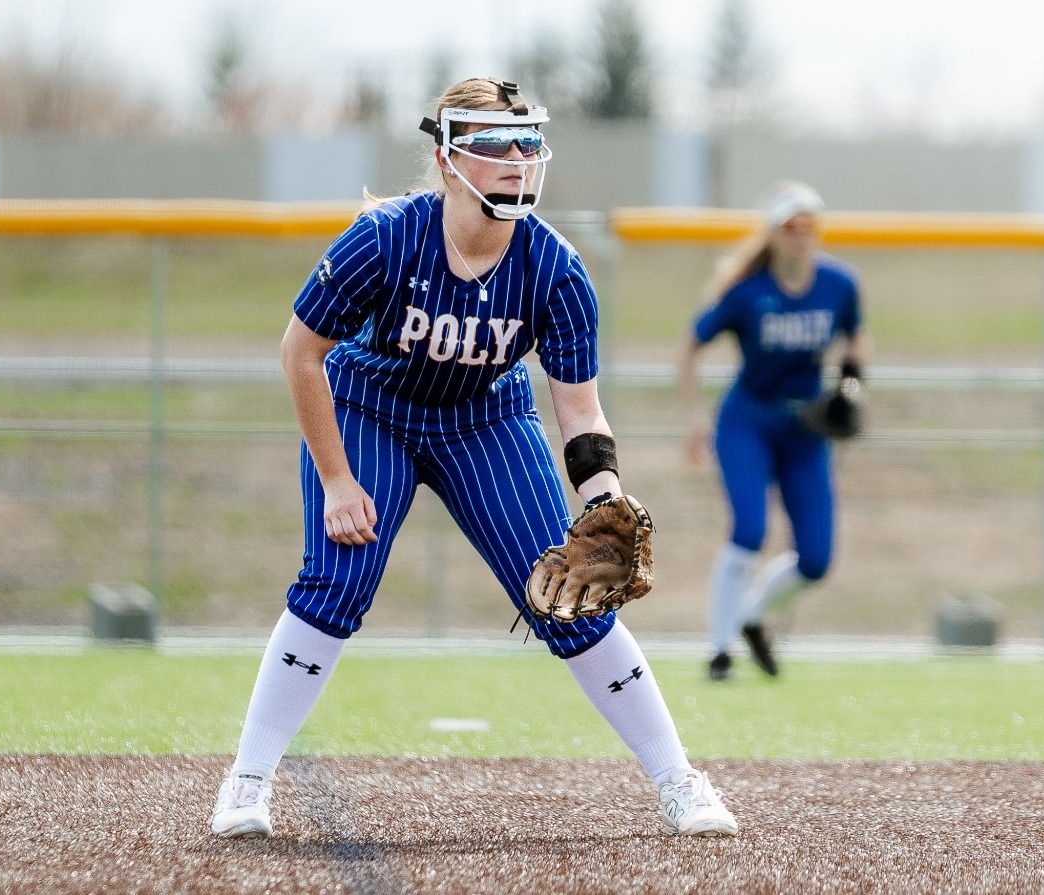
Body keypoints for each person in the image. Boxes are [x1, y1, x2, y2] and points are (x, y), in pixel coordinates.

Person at [209, 77, 737, 840]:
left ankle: (679, 779)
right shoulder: (386, 237)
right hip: (370, 408)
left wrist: (604, 498)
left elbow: (580, 408)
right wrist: (335, 477)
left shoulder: (555, 268)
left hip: (483, 419)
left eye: (527, 144)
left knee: (569, 592)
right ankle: (247, 778)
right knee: (337, 580)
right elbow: (301, 353)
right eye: (495, 145)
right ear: (448, 159)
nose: (517, 160)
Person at [676, 181, 870, 682]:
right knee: (749, 529)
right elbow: (689, 347)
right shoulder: (749, 292)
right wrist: (696, 418)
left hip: (805, 427)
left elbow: (856, 337)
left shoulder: (839, 284)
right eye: (791, 226)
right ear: (775, 234)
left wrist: (851, 384)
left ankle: (751, 616)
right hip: (748, 419)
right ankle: (720, 651)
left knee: (817, 558)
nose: (802, 235)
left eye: (810, 225)